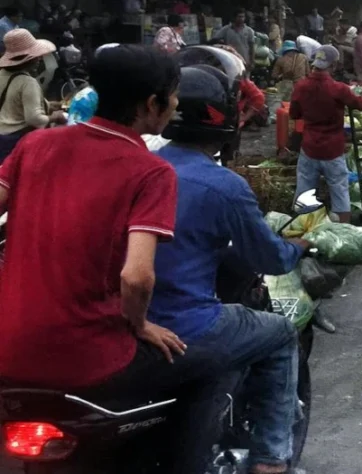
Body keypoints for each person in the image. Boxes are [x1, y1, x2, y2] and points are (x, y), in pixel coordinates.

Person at [0, 45, 221, 468]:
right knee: (210, 362)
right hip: (89, 358)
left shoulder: (35, 144)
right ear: (153, 104)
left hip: (9, 350)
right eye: (173, 95)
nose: (176, 105)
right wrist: (139, 324)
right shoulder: (151, 171)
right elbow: (137, 277)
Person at [152, 63, 308, 474]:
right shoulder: (223, 186)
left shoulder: (141, 167)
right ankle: (271, 460)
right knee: (281, 333)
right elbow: (270, 258)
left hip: (127, 319)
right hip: (184, 324)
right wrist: (299, 247)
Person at [290, 46, 362, 224]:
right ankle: (344, 229)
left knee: (305, 192)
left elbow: (294, 114)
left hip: (309, 148)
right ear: (334, 65)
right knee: (339, 192)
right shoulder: (338, 89)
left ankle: (303, 228)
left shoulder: (301, 86)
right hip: (332, 150)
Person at [0, 29, 66, 161]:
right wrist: (55, 117)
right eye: (36, 56)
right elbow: (34, 119)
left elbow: (12, 102)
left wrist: (47, 105)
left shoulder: (2, 74)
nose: (39, 59)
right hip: (16, 141)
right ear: (28, 60)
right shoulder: (28, 82)